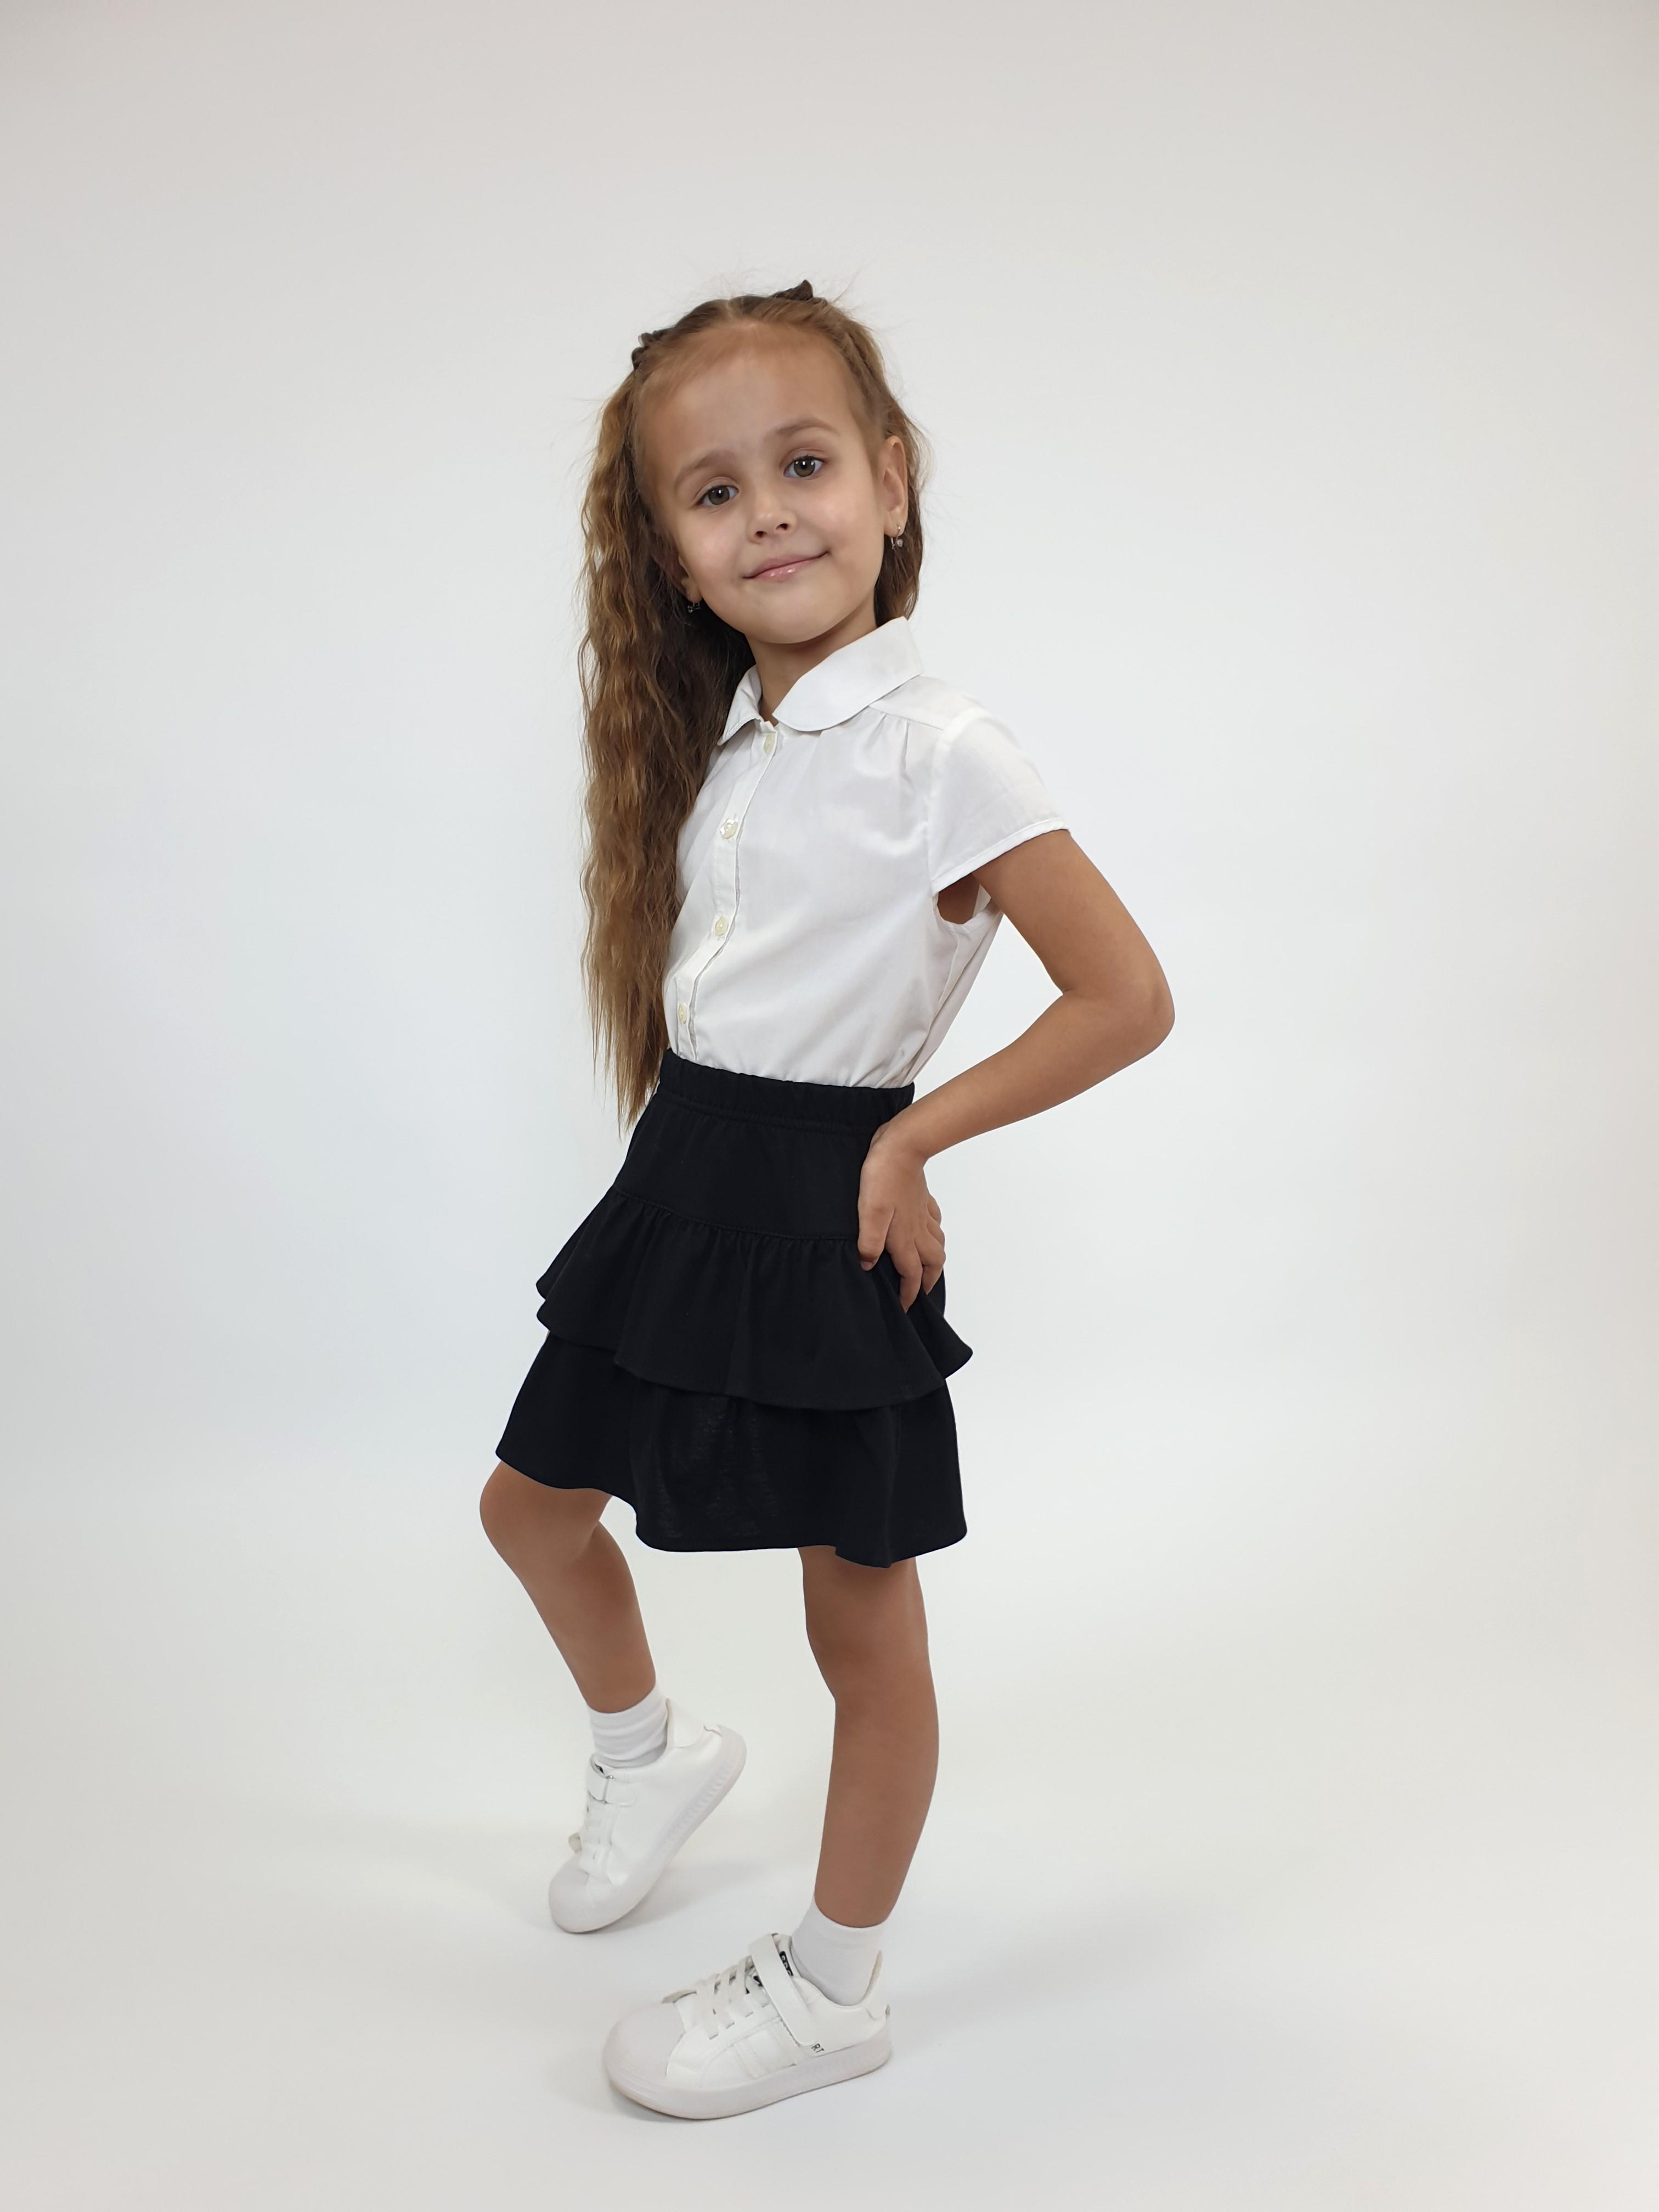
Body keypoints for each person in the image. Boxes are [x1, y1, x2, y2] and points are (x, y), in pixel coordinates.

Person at [478, 278, 1174, 2120]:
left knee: (859, 1628)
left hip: (825, 1203)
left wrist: (912, 1140)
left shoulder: (946, 750)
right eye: (715, 493)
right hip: (683, 1179)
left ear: (889, 479)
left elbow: (1126, 998)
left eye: (803, 466)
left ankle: (834, 1985)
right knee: (530, 1509)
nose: (769, 514)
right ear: (672, 555)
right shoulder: (726, 741)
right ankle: (648, 1753)